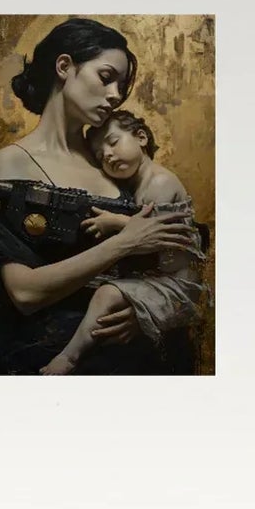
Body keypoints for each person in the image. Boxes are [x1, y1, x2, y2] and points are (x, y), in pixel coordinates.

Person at [0, 18, 202, 376]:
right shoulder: (11, 162)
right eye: (106, 77)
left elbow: (173, 259)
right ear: (64, 67)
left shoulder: (118, 165)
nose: (115, 95)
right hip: (39, 362)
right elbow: (24, 294)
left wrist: (144, 311)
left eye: (121, 85)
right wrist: (125, 242)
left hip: (133, 366)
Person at [37, 110, 210, 377]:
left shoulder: (160, 182)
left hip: (176, 284)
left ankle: (69, 358)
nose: (106, 154)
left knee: (107, 294)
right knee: (99, 292)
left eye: (113, 142)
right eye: (98, 155)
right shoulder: (135, 187)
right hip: (156, 276)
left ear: (141, 138)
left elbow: (157, 237)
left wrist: (116, 222)